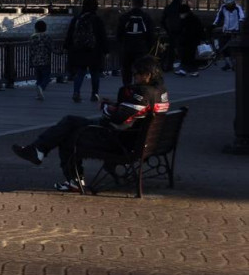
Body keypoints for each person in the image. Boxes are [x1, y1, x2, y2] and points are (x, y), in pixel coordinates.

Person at [12, 59, 170, 193]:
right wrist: (115, 105)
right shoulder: (161, 92)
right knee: (70, 122)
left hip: (119, 142)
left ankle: (66, 174)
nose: (134, 77)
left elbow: (118, 117)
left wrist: (105, 107)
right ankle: (38, 150)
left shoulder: (142, 93)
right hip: (142, 142)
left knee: (67, 135)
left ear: (147, 75)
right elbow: (134, 112)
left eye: (136, 74)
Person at [63, 0, 107, 103]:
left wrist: (66, 46)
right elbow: (102, 36)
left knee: (80, 72)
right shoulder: (97, 19)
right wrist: (106, 50)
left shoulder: (77, 19)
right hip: (94, 51)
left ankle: (76, 92)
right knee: (95, 74)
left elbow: (70, 34)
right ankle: (94, 94)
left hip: (79, 50)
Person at [117, 0, 156, 86]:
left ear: (132, 4)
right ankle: (139, 88)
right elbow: (151, 35)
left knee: (126, 70)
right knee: (140, 70)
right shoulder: (146, 17)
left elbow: (119, 34)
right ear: (142, 4)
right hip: (141, 48)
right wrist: (149, 47)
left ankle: (127, 88)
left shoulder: (125, 17)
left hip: (127, 48)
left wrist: (122, 44)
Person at [212, 0, 243, 72]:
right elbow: (218, 16)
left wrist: (240, 29)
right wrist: (214, 24)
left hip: (234, 32)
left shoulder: (238, 8)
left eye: (229, 4)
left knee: (233, 49)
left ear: (233, 2)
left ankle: (234, 64)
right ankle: (227, 64)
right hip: (225, 30)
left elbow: (241, 18)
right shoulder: (223, 7)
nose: (227, 5)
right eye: (226, 3)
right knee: (222, 47)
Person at [27, 18, 53, 101]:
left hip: (35, 61)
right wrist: (60, 52)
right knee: (46, 77)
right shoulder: (47, 37)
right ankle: (41, 88)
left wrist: (31, 61)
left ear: (36, 28)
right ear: (45, 28)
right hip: (45, 60)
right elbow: (51, 47)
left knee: (39, 78)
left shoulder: (32, 37)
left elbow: (31, 50)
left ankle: (39, 94)